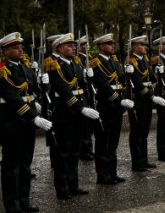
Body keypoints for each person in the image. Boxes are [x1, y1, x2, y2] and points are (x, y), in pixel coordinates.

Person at [0, 32, 54, 213]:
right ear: (6, 50)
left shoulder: (26, 68)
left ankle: (24, 200)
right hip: (11, 123)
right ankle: (12, 205)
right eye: (16, 48)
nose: (21, 50)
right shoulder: (0, 70)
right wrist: (33, 117)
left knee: (26, 164)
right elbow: (12, 97)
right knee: (12, 166)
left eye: (21, 47)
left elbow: (30, 93)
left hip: (26, 124)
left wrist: (42, 86)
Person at [45, 33, 99, 200]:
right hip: (65, 113)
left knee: (75, 151)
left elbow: (80, 88)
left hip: (78, 113)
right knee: (64, 152)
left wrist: (87, 77)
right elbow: (64, 90)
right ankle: (62, 188)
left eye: (74, 45)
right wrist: (81, 108)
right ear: (60, 49)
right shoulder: (55, 65)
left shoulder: (76, 63)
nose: (74, 48)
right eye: (69, 46)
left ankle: (73, 184)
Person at [88, 33, 134, 185]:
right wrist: (120, 101)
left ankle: (112, 172)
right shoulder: (95, 63)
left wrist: (128, 73)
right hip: (106, 107)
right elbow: (103, 86)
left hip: (116, 109)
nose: (113, 46)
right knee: (103, 142)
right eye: (109, 43)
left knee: (113, 142)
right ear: (101, 46)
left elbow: (119, 81)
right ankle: (103, 175)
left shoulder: (114, 61)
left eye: (113, 43)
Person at [127, 36, 165, 171]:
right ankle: (136, 162)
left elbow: (150, 79)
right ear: (134, 47)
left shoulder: (144, 60)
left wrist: (158, 73)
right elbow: (137, 83)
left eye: (145, 45)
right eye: (142, 45)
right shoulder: (131, 61)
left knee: (144, 133)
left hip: (147, 101)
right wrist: (151, 96)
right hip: (139, 101)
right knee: (137, 133)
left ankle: (143, 160)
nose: (145, 47)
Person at [76, 35, 95, 161]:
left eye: (88, 45)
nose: (87, 47)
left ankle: (88, 149)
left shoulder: (89, 59)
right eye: (85, 45)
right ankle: (85, 150)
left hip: (89, 93)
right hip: (83, 93)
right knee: (85, 125)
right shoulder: (79, 60)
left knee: (89, 125)